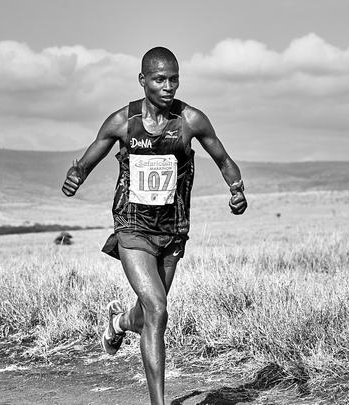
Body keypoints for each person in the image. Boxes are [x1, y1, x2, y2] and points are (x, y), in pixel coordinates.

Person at [61, 47, 247, 405]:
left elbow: (224, 160)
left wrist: (237, 191)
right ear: (143, 80)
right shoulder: (122, 122)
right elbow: (87, 159)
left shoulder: (191, 120)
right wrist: (75, 175)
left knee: (147, 313)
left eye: (174, 79)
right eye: (160, 79)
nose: (168, 86)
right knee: (159, 311)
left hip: (173, 229)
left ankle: (118, 323)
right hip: (132, 226)